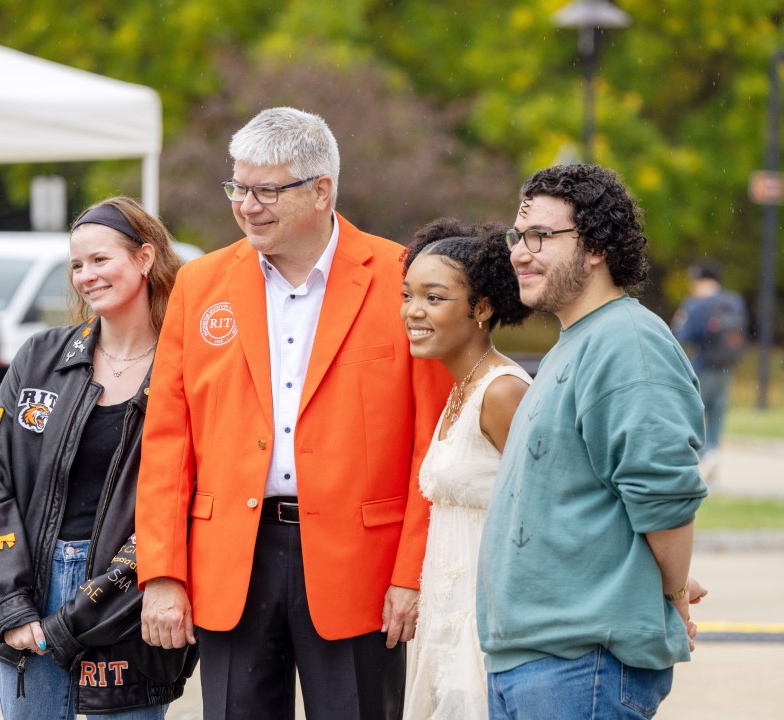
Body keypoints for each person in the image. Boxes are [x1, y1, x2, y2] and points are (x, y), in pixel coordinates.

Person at [135, 107, 450, 719]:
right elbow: (168, 442)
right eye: (237, 187)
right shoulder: (199, 285)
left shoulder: (404, 277)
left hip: (361, 568)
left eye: (266, 190)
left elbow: (430, 445)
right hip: (230, 561)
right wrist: (163, 573)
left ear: (321, 190)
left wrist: (413, 573)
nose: (246, 205)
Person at [477, 164, 709, 720]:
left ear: (598, 246)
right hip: (533, 663)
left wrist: (673, 593)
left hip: (582, 668)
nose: (519, 252)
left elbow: (665, 493)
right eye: (517, 235)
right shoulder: (574, 342)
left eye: (540, 236)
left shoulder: (626, 340)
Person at [0, 197, 196, 719]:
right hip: (31, 586)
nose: (85, 276)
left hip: (130, 599)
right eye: (76, 264)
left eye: (99, 260)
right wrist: (9, 603)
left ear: (144, 258)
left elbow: (186, 498)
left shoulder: (185, 370)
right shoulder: (40, 357)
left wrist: (87, 610)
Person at [400, 219, 532, 720]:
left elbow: (554, 503)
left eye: (434, 298)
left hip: (490, 620)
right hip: (448, 616)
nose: (413, 311)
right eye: (408, 294)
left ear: (481, 308)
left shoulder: (502, 392)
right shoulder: (458, 390)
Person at [671, 261, 748, 479]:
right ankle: (713, 452)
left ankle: (695, 459)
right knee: (717, 413)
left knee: (692, 412)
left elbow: (680, 335)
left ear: (701, 281)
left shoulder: (695, 304)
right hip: (727, 368)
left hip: (702, 367)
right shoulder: (734, 301)